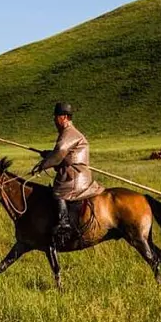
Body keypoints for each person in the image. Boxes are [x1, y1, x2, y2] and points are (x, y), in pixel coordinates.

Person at [31, 102, 104, 241]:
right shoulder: (69, 133)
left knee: (58, 191)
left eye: (56, 117)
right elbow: (62, 154)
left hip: (75, 176)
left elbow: (59, 154)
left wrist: (42, 165)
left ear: (64, 117)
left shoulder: (69, 133)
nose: (54, 120)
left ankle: (64, 224)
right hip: (75, 172)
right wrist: (48, 154)